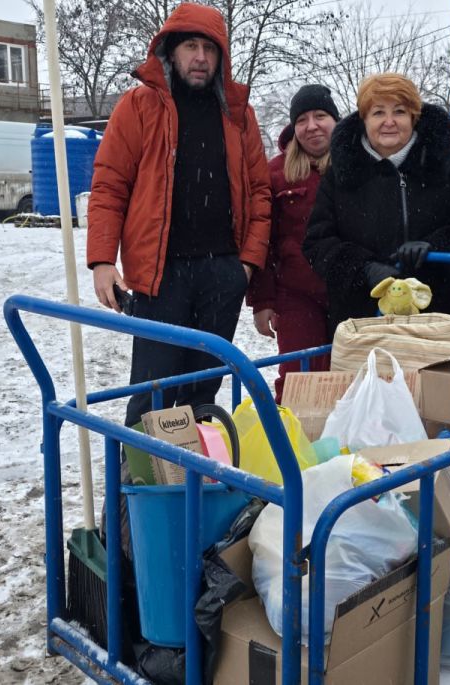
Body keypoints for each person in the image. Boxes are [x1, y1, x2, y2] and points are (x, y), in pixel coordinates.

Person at [87, 2, 270, 428]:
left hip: (222, 273)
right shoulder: (139, 106)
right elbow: (110, 184)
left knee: (203, 392)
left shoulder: (239, 114)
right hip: (160, 276)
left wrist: (244, 266)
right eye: (191, 46)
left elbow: (261, 193)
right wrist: (102, 261)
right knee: (152, 394)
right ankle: (137, 473)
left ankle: (194, 470)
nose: (201, 57)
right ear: (170, 51)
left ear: (221, 56)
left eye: (210, 48)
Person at [303, 73, 450, 334]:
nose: (389, 122)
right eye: (378, 112)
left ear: (413, 117)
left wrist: (435, 249)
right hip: (359, 320)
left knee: (426, 363)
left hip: (430, 316)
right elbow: (318, 242)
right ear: (364, 119)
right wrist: (363, 269)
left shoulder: (444, 164)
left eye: (399, 111)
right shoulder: (342, 172)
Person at [246, 84, 339, 402]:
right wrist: (262, 300)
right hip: (296, 296)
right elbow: (263, 240)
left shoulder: (355, 165)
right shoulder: (276, 173)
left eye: (320, 116)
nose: (312, 126)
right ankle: (292, 433)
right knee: (298, 383)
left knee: (349, 379)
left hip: (350, 292)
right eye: (302, 120)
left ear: (335, 121)